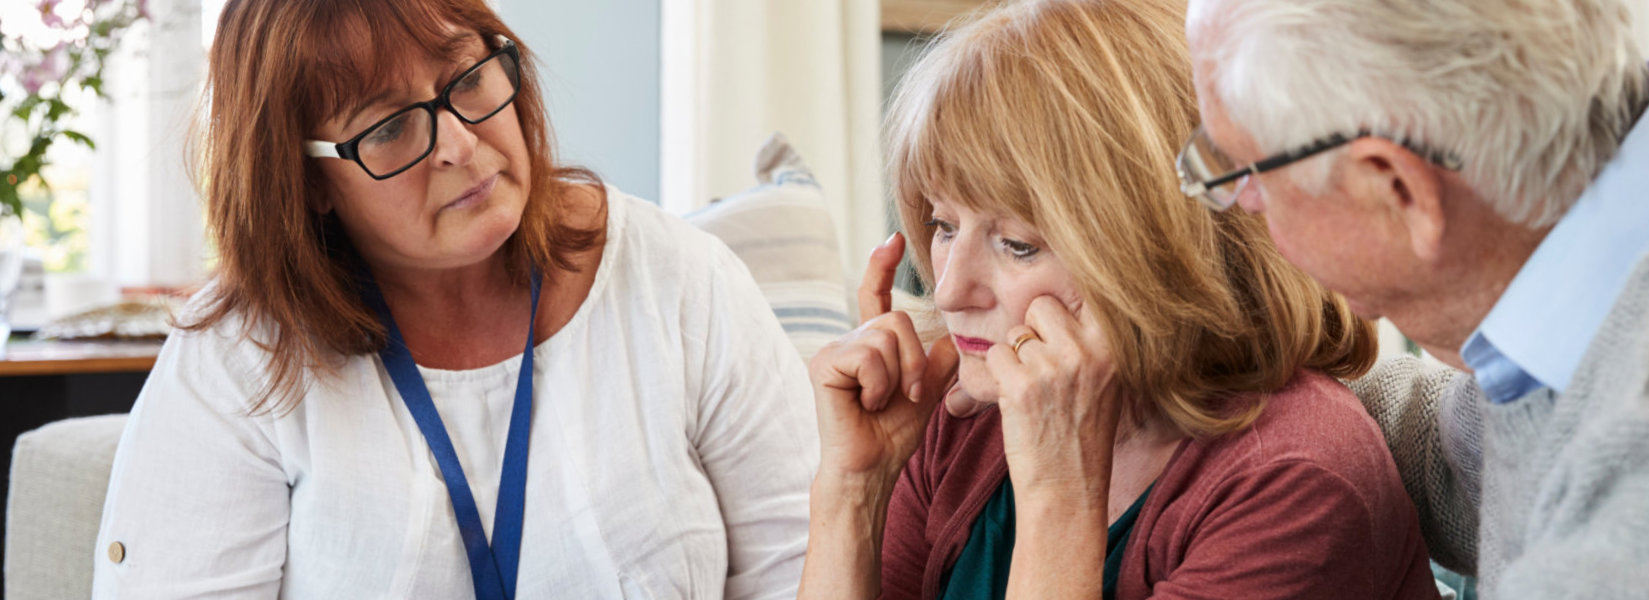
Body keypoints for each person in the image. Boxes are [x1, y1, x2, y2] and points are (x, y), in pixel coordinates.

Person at [1182, 0, 1649, 596]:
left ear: (1398, 189)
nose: (1246, 208)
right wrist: (1193, 361)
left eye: (1246, 178)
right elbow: (1465, 456)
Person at [91, 0, 816, 597]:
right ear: (306, 181)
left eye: (466, 77)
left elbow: (802, 570)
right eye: (390, 127)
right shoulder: (239, 357)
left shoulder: (678, 278)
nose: (462, 146)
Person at [798, 1, 1439, 598]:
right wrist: (853, 493)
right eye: (943, 225)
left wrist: (1059, 493)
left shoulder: (1298, 480)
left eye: (1017, 243)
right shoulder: (972, 411)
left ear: (1161, 251)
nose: (947, 290)